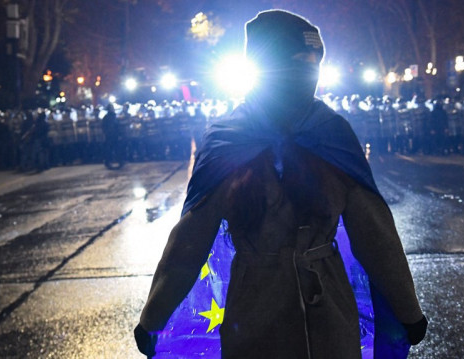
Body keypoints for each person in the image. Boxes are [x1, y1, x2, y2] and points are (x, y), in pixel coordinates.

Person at [135, 9, 427, 358]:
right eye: (295, 61)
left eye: (312, 63)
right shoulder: (228, 139)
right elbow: (188, 243)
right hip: (254, 308)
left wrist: (407, 309)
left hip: (328, 308)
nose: (306, 73)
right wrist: (154, 316)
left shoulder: (332, 133)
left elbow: (375, 235)